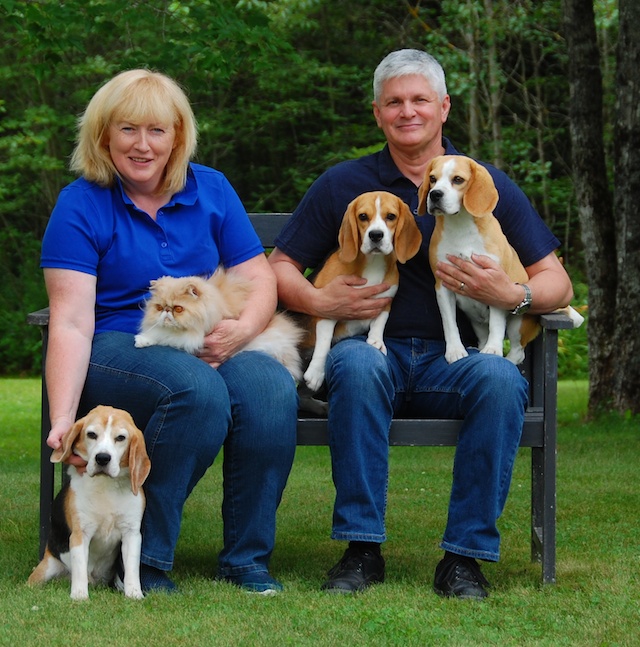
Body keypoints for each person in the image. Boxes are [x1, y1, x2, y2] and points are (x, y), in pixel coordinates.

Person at [268, 49, 574, 599]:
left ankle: (464, 559)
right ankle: (361, 549)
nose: (407, 112)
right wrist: (320, 298)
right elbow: (279, 268)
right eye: (394, 102)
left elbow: (557, 281)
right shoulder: (345, 185)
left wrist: (516, 293)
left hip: (451, 363)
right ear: (378, 112)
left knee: (502, 381)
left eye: (419, 100)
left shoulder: (482, 183)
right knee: (356, 365)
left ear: (444, 108)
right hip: (372, 351)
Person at [41, 69, 298, 595]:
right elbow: (69, 320)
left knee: (269, 387)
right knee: (195, 388)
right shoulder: (81, 203)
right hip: (119, 347)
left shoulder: (212, 189)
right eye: (127, 130)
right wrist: (65, 422)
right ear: (103, 135)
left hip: (217, 339)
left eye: (157, 130)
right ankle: (145, 562)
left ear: (178, 137)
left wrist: (241, 331)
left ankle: (247, 558)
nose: (142, 145)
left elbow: (258, 276)